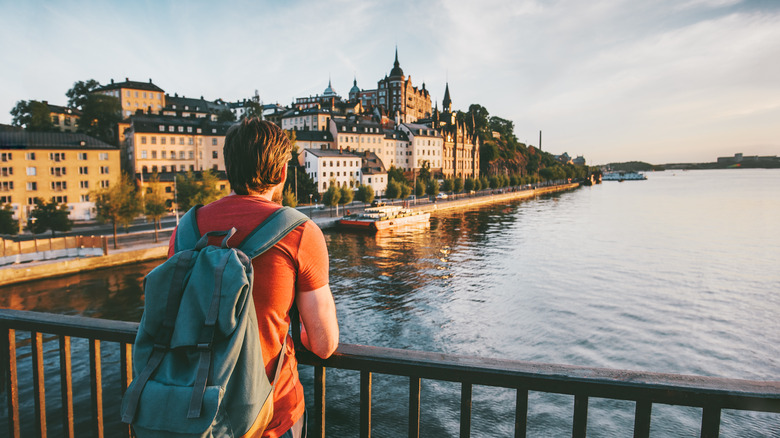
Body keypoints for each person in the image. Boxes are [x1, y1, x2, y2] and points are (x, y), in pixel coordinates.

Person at [167, 118, 339, 438]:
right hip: (269, 415)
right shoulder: (300, 233)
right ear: (284, 173)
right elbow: (324, 344)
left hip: (194, 410)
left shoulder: (186, 230)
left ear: (228, 167)